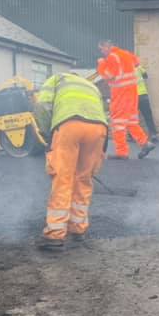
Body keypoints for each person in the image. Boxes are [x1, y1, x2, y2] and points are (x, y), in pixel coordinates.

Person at [33, 69, 109, 251]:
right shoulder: (91, 86)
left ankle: (55, 235)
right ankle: (77, 228)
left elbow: (42, 106)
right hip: (99, 129)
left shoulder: (56, 79)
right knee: (83, 179)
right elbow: (103, 113)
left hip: (69, 126)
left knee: (63, 178)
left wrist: (48, 133)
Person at [96, 40, 155, 160]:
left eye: (101, 49)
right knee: (131, 122)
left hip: (121, 93)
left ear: (107, 47)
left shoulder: (112, 57)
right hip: (132, 93)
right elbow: (137, 62)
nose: (101, 52)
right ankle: (145, 143)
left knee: (117, 123)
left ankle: (121, 152)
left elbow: (109, 75)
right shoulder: (125, 53)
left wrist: (102, 64)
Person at [136, 64, 158, 142]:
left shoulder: (125, 70)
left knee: (133, 118)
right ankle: (153, 134)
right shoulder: (139, 68)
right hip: (143, 96)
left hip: (132, 97)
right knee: (148, 116)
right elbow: (145, 76)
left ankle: (134, 135)